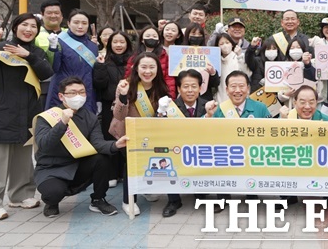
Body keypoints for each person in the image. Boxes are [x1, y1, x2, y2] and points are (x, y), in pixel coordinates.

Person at [0, 14, 54, 221]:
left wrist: (28, 56)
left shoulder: (36, 52)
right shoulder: (2, 48)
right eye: (24, 25)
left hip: (29, 112)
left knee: (23, 158)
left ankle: (21, 194)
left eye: (33, 26)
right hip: (2, 111)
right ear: (15, 27)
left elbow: (46, 73)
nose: (29, 29)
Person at [34, 77, 129, 218]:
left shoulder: (90, 117)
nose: (78, 96)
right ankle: (52, 202)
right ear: (61, 96)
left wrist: (115, 144)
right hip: (52, 168)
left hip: (77, 166)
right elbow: (44, 145)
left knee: (102, 158)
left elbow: (98, 144)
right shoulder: (47, 117)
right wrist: (62, 123)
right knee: (53, 193)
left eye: (82, 92)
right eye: (72, 93)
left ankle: (98, 199)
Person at [112, 52, 170, 215]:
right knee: (131, 164)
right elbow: (119, 116)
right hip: (127, 133)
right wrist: (123, 97)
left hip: (150, 133)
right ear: (136, 69)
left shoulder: (161, 87)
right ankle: (128, 200)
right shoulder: (125, 85)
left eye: (152, 67)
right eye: (143, 67)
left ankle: (146, 189)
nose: (148, 71)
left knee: (150, 160)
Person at [158, 69, 208, 217]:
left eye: (194, 86)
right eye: (186, 86)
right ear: (179, 89)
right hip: (177, 150)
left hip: (201, 150)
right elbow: (158, 128)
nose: (190, 90)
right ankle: (174, 200)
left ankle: (201, 193)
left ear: (200, 88)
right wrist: (161, 112)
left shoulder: (208, 106)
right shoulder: (169, 106)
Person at [93, 30, 133, 187]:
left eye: (122, 42)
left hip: (128, 106)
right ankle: (112, 173)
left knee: (128, 138)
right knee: (111, 137)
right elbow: (99, 84)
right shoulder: (103, 61)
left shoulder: (133, 61)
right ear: (109, 44)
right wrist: (100, 66)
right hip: (109, 106)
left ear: (127, 44)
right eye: (115, 42)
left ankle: (125, 172)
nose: (118, 45)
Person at [46, 10, 98, 113]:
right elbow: (54, 67)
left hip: (85, 93)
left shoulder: (93, 46)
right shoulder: (59, 41)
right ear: (69, 23)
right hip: (64, 93)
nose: (80, 26)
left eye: (84, 23)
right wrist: (53, 48)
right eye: (76, 22)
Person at [125, 26, 176, 98]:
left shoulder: (165, 56)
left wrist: (170, 97)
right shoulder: (133, 58)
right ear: (142, 39)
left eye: (154, 36)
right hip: (138, 95)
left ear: (158, 40)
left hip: (158, 94)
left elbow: (169, 79)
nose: (151, 38)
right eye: (148, 36)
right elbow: (128, 78)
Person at [205, 71, 272, 119]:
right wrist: (208, 115)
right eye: (233, 86)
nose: (237, 90)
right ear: (227, 90)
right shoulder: (218, 109)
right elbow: (203, 130)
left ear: (248, 89)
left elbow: (270, 129)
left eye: (241, 86)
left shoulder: (260, 108)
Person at [214, 33, 247, 104]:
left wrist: (240, 56)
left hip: (238, 100)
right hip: (220, 100)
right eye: (221, 44)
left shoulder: (238, 57)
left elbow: (247, 73)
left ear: (232, 44)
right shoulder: (216, 61)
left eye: (227, 42)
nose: (225, 46)